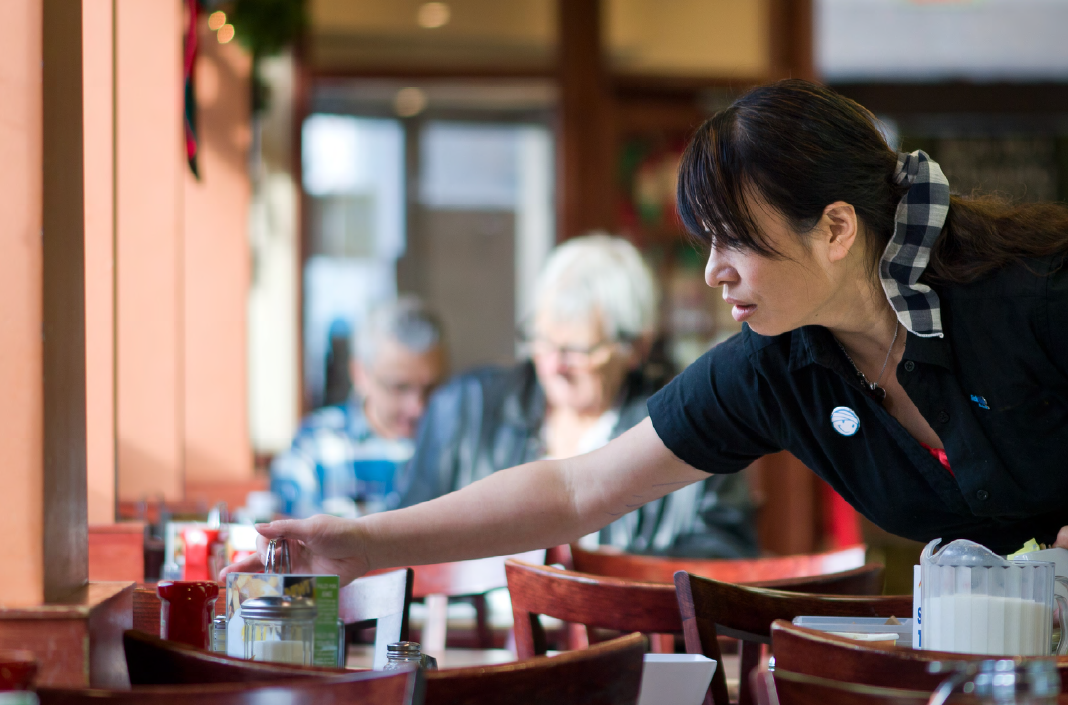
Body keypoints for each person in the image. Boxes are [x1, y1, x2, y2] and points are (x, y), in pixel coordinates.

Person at [229, 79, 1068, 584]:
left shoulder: (1031, 296)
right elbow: (576, 490)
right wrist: (364, 544)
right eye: (708, 241)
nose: (714, 271)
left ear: (837, 228)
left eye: (735, 238)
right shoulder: (777, 369)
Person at [398, 235, 757, 558]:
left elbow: (727, 553)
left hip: (618, 630)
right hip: (473, 629)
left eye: (576, 351)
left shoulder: (690, 424)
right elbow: (405, 538)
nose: (554, 365)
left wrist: (609, 577)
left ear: (636, 347)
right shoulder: (465, 409)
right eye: (543, 342)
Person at [269, 297, 446, 518]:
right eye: (399, 387)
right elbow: (292, 542)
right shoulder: (314, 446)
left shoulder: (461, 440)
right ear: (360, 374)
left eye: (431, 388)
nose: (418, 407)